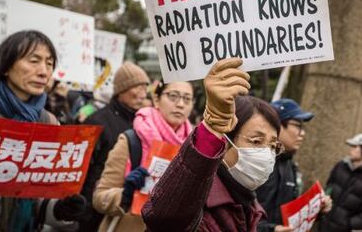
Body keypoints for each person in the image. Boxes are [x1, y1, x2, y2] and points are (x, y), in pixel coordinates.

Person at [0, 30, 86, 232]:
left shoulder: (49, 123)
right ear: (6, 66)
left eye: (49, 63)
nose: (43, 72)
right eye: (34, 60)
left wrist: (60, 210)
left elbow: (39, 196)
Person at [142, 58, 283, 232]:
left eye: (272, 146)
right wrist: (213, 126)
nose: (266, 154)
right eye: (256, 141)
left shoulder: (250, 207)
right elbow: (164, 218)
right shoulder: (196, 204)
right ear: (225, 141)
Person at [92, 80, 194, 231]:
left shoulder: (193, 148)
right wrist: (125, 194)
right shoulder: (132, 140)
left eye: (187, 99)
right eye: (173, 96)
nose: (180, 104)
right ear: (157, 100)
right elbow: (99, 199)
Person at [79, 61, 150, 231]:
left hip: (123, 211)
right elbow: (82, 168)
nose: (143, 93)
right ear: (121, 90)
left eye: (145, 88)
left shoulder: (143, 123)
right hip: (92, 208)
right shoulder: (97, 121)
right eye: (137, 87)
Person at [256, 98, 331, 232]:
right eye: (297, 125)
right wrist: (270, 230)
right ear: (277, 125)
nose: (302, 133)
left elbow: (288, 213)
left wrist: (315, 209)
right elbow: (235, 215)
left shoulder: (290, 165)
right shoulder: (254, 162)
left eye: (303, 127)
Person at [319, 133, 362, 232]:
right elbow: (328, 187)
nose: (351, 149)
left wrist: (348, 224)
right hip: (323, 226)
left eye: (355, 146)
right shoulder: (340, 166)